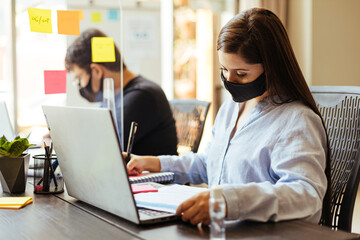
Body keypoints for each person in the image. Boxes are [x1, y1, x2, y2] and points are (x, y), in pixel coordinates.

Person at [126, 8, 331, 226]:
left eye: (241, 74)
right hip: (224, 229)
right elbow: (210, 164)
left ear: (272, 67)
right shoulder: (231, 109)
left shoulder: (297, 120)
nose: (229, 80)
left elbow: (305, 194)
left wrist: (229, 201)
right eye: (224, 70)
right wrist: (155, 163)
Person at [65, 28, 178, 156]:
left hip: (148, 176)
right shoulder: (115, 96)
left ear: (96, 70)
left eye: (79, 78)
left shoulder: (142, 96)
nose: (80, 85)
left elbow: (101, 147)